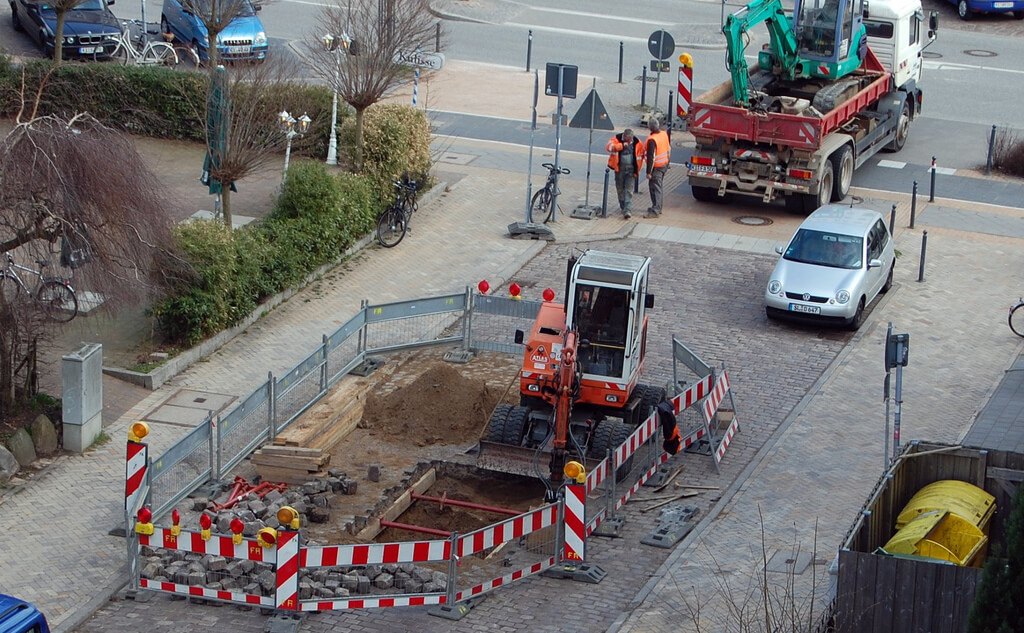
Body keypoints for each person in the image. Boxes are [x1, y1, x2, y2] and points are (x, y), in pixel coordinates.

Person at [605, 128, 644, 219]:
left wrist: (637, 170)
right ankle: (623, 206)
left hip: (631, 169)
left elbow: (640, 156)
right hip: (619, 169)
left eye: (630, 140)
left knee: (629, 190)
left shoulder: (637, 142)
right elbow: (609, 147)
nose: (630, 141)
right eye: (628, 140)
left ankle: (628, 209)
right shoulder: (616, 139)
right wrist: (622, 146)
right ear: (624, 137)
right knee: (620, 189)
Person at [644, 118, 671, 218]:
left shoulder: (652, 140)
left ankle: (656, 210)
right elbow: (669, 148)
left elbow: (651, 157)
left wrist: (648, 172)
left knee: (656, 187)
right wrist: (668, 162)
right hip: (664, 164)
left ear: (649, 128)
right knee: (654, 186)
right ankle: (656, 206)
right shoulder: (664, 134)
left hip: (657, 167)